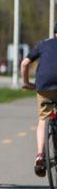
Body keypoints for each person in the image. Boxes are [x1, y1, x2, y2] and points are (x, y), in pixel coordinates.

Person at [20, 26, 57, 177]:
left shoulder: (43, 44)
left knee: (43, 119)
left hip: (44, 85)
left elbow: (24, 63)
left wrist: (26, 83)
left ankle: (40, 155)